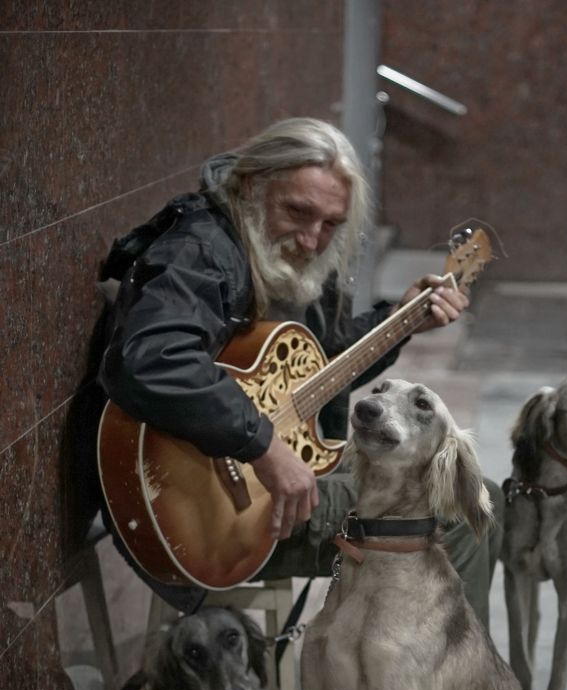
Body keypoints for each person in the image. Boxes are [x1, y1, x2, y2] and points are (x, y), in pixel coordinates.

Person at [95, 117, 503, 628]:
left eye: (331, 223)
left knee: (481, 491)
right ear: (249, 186)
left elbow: (321, 366)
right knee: (461, 510)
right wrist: (262, 446)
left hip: (246, 477)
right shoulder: (201, 250)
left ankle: (406, 683)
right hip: (202, 514)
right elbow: (152, 356)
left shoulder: (275, 251)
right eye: (297, 212)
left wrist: (398, 321)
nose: (313, 240)